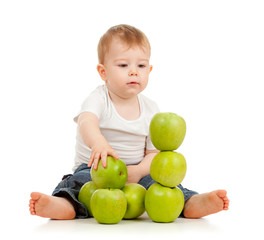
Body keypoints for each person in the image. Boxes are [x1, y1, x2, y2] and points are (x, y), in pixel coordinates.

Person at [29, 24, 229, 220]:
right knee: (78, 184)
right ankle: (64, 205)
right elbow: (86, 121)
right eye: (123, 65)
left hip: (138, 172)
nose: (134, 71)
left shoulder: (151, 109)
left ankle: (190, 203)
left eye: (141, 66)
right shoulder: (99, 98)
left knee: (166, 186)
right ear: (103, 72)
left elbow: (154, 153)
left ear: (149, 70)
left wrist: (140, 170)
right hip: (97, 171)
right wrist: (99, 144)